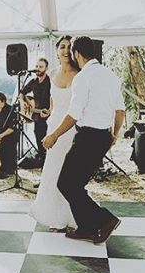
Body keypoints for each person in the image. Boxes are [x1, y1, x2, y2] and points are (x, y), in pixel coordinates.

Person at [43, 36, 125, 244]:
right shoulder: (110, 75)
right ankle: (87, 227)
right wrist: (114, 134)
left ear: (77, 53)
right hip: (103, 137)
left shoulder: (83, 77)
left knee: (65, 183)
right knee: (75, 184)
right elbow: (120, 111)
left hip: (87, 137)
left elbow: (73, 114)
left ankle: (105, 220)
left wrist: (54, 135)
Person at [30, 36, 79, 231]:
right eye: (62, 47)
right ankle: (55, 217)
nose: (66, 50)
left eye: (69, 47)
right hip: (53, 126)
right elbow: (53, 99)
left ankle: (73, 215)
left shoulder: (79, 74)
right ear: (57, 51)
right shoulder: (52, 73)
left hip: (71, 128)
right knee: (52, 171)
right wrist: (49, 112)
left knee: (69, 173)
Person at [20, 58, 51, 163]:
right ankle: (42, 162)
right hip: (37, 117)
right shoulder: (33, 82)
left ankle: (47, 162)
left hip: (49, 117)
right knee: (38, 138)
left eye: (41, 67)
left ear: (46, 68)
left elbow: (55, 98)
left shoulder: (50, 82)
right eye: (36, 66)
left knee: (47, 141)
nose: (37, 69)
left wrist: (50, 110)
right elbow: (21, 93)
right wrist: (23, 102)